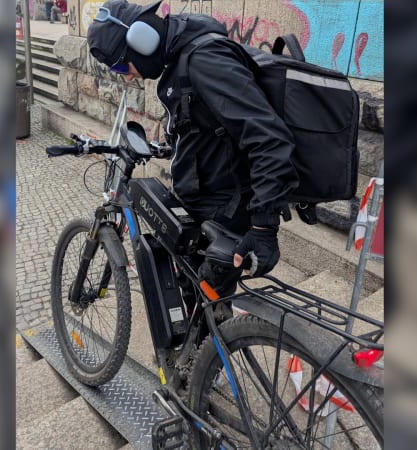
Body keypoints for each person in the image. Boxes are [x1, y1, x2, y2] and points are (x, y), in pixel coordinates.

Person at [87, 0, 298, 298]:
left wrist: (264, 227)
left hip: (224, 210)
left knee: (203, 298)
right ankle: (209, 340)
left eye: (122, 64)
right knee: (196, 297)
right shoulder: (181, 53)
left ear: (142, 41)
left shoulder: (204, 60)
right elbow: (209, 123)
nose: (127, 75)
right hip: (207, 202)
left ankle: (221, 343)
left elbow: (269, 136)